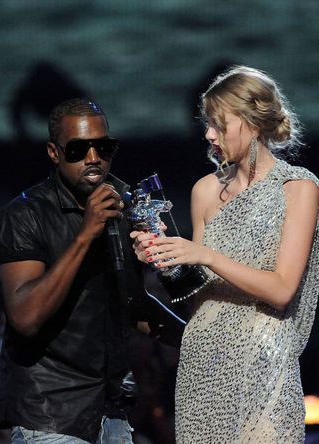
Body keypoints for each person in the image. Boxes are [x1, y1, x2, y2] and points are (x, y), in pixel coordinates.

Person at [131, 66, 319, 443]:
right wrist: (166, 260)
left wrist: (205, 255)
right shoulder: (205, 191)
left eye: (219, 124)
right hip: (204, 364)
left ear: (253, 121)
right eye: (207, 124)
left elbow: (282, 290)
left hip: (265, 365)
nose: (209, 134)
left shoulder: (297, 188)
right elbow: (195, 296)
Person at [0, 98, 145, 443]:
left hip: (112, 411)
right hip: (50, 413)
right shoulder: (24, 216)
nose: (94, 159)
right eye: (79, 149)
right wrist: (85, 235)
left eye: (103, 147)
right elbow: (25, 316)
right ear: (54, 152)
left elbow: (133, 304)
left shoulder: (123, 205)